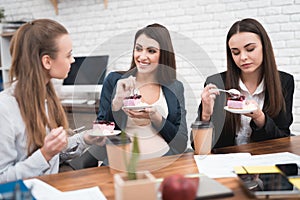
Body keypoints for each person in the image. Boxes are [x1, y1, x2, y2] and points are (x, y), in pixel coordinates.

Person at [0, 19, 104, 183]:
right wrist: (44, 154)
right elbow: (2, 179)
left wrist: (85, 138)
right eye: (68, 55)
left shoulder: (45, 99)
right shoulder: (5, 109)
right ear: (47, 61)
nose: (73, 60)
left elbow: (54, 155)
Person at [80, 23, 188, 166]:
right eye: (138, 49)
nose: (142, 56)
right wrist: (117, 102)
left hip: (164, 162)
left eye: (151, 51)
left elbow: (180, 141)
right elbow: (102, 132)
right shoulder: (115, 81)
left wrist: (156, 117)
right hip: (121, 162)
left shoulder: (175, 87)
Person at [195, 18, 294, 149]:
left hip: (264, 161)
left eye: (250, 49)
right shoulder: (217, 83)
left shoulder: (284, 82)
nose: (243, 57)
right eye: (235, 52)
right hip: (225, 163)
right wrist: (205, 115)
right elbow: (200, 148)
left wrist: (259, 117)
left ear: (265, 47)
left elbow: (283, 140)